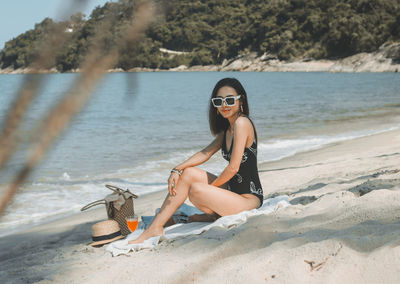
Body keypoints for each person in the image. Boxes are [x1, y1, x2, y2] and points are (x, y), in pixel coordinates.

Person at [129, 77, 263, 244]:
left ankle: (211, 214)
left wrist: (209, 191)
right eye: (218, 101)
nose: (224, 105)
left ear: (241, 100)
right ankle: (156, 227)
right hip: (231, 192)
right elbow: (205, 153)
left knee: (197, 190)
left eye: (229, 100)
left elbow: (233, 168)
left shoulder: (242, 123)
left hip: (248, 199)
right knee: (189, 173)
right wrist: (176, 169)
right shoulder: (227, 130)